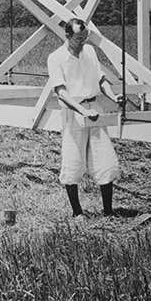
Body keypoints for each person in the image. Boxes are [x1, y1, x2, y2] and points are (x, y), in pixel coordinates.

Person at [45, 17, 123, 217]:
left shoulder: (89, 51)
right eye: (79, 39)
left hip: (94, 109)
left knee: (105, 159)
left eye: (85, 38)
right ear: (68, 35)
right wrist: (82, 111)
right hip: (73, 112)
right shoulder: (55, 58)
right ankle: (77, 213)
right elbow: (61, 92)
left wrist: (115, 98)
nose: (82, 43)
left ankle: (108, 212)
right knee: (73, 161)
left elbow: (101, 79)